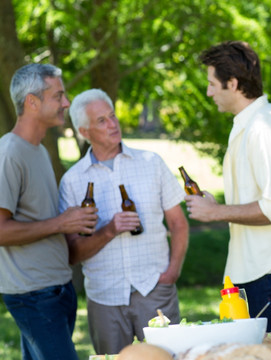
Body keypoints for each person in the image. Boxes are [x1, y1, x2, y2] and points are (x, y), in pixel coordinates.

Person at [185, 40, 271, 331]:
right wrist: (215, 207)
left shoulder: (263, 128)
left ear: (232, 83)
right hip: (262, 275)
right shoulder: (251, 124)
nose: (208, 92)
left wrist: (216, 212)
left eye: (212, 84)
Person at [58, 89, 189, 355]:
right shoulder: (72, 181)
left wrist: (171, 273)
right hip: (104, 298)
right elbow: (72, 252)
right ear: (84, 132)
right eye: (102, 121)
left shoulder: (151, 163)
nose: (113, 124)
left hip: (154, 289)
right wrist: (108, 230)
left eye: (112, 115)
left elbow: (178, 224)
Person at [0, 63, 98, 360]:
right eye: (58, 96)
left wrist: (71, 223)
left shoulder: (39, 149)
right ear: (32, 102)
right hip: (33, 294)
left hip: (57, 289)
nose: (66, 103)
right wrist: (60, 223)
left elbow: (39, 219)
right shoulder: (9, 153)